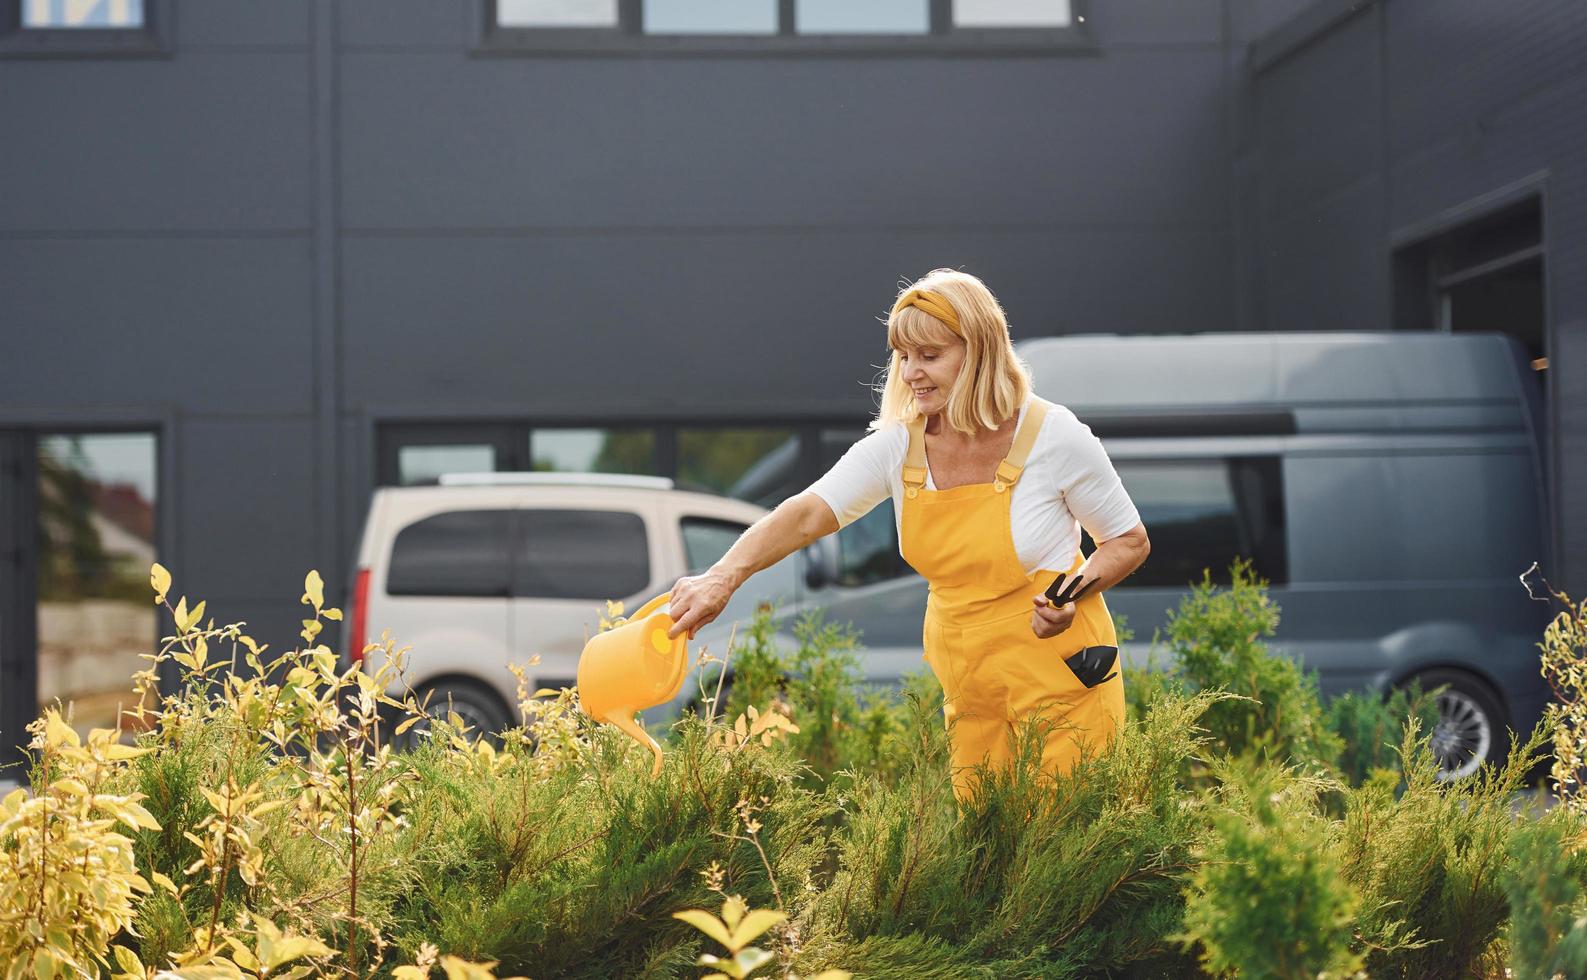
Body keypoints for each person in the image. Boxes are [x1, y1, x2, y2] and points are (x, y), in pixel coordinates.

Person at [666, 268, 1151, 800]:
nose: (910, 372)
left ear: (979, 352)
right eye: (903, 355)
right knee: (987, 848)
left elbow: (1127, 541)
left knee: (1066, 847)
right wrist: (722, 577)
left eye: (929, 355)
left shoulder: (1053, 437)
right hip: (971, 686)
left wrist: (1072, 595)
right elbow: (807, 512)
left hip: (1061, 673)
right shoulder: (900, 447)